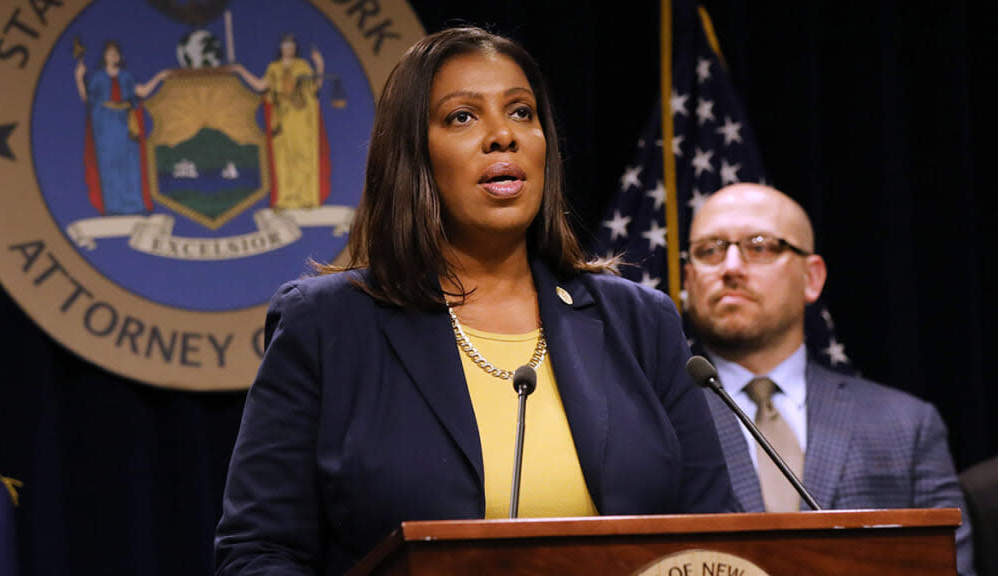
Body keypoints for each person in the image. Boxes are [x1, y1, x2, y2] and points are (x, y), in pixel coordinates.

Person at [214, 26, 734, 575]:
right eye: (463, 117)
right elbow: (259, 552)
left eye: (521, 113)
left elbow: (719, 538)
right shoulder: (328, 326)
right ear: (414, 154)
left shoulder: (639, 322)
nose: (502, 136)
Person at [683, 182, 975, 575]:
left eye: (760, 246)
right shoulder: (655, 420)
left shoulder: (907, 425)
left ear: (812, 277)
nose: (731, 267)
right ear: (688, 279)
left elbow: (947, 566)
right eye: (709, 250)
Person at [232, 33, 332, 210]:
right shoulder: (274, 68)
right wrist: (241, 71)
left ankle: (306, 197)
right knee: (283, 158)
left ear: (294, 48)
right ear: (281, 48)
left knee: (302, 155)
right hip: (282, 119)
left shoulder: (302, 66)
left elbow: (315, 86)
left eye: (291, 45)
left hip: (300, 118)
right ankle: (286, 198)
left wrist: (319, 64)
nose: (288, 49)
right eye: (285, 45)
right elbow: (261, 86)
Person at [75, 40, 168, 215]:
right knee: (110, 166)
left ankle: (134, 205)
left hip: (127, 125)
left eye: (116, 53)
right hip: (106, 126)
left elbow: (142, 92)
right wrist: (79, 77)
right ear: (105, 56)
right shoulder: (98, 77)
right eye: (110, 53)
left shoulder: (127, 76)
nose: (114, 55)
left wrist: (159, 77)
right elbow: (87, 98)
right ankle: (114, 207)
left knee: (130, 166)